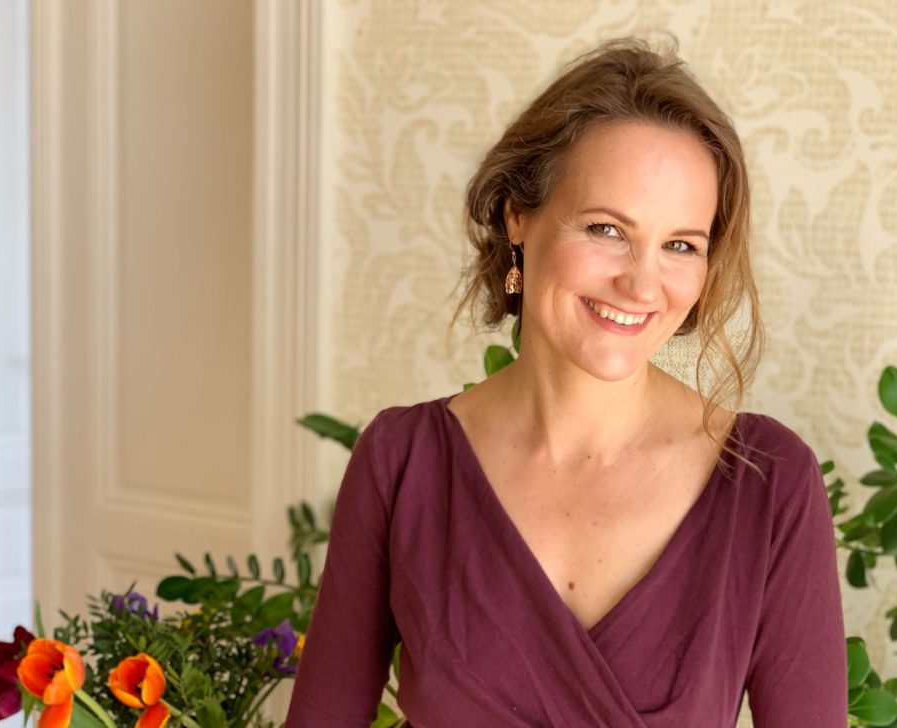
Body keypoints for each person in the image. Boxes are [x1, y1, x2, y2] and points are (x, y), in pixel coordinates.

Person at [286, 37, 847, 728]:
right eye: (607, 229)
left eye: (680, 245)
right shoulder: (402, 462)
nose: (641, 284)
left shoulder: (768, 481)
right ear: (518, 216)